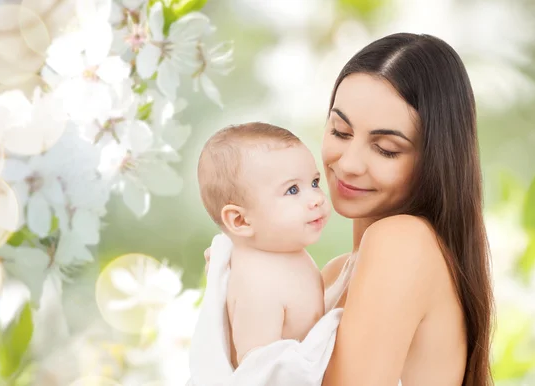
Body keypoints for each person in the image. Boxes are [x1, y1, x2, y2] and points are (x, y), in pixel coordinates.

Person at [204, 32, 494, 386]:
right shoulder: (329, 275)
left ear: (435, 161)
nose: (350, 163)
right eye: (340, 131)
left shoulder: (404, 242)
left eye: (386, 148)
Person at [196, 122, 331, 368]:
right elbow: (258, 372)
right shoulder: (258, 285)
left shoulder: (284, 252)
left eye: (314, 182)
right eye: (292, 190)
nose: (317, 199)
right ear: (240, 220)